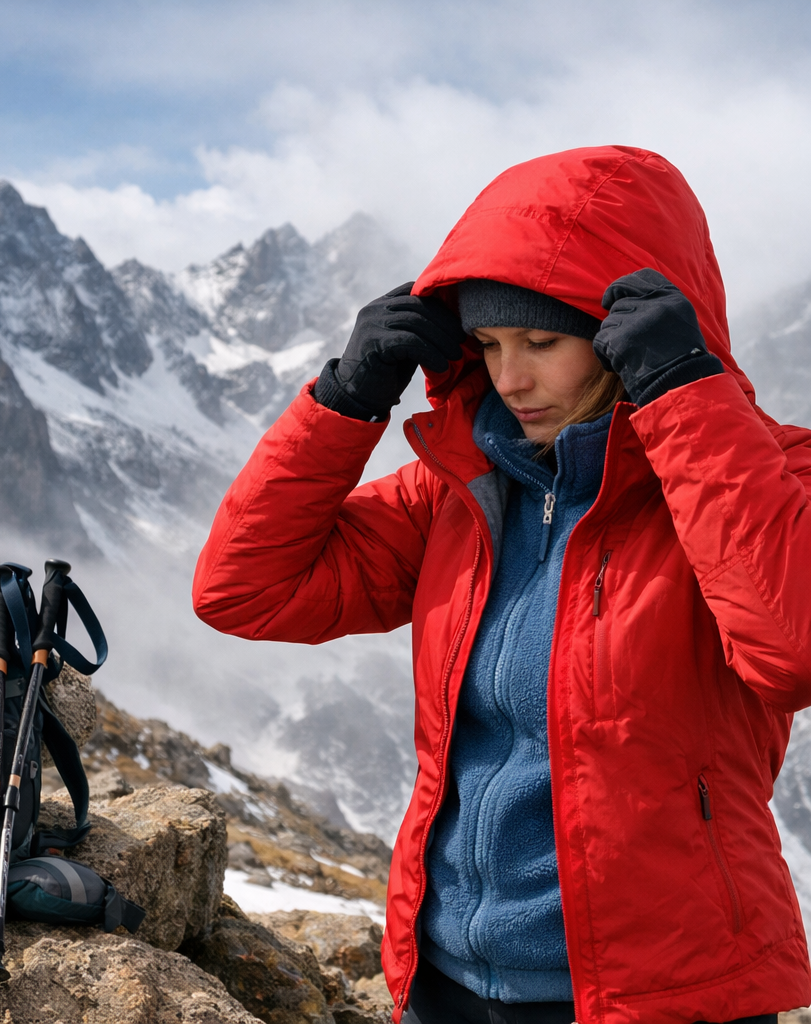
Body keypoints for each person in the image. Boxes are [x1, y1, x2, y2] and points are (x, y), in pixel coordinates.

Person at [192, 146, 811, 1024]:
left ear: (625, 334)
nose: (510, 379)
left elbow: (792, 652)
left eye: (542, 343)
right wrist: (344, 402)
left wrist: (685, 395)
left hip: (665, 997)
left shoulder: (767, 476)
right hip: (447, 985)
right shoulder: (460, 488)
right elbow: (244, 588)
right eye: (486, 345)